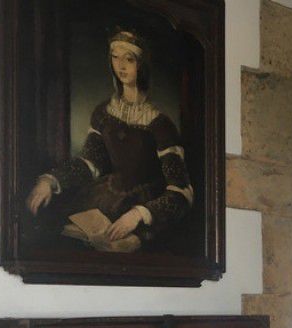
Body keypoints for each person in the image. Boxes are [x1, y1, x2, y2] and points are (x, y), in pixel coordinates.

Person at [26, 29, 193, 245]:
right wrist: (50, 180)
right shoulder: (103, 113)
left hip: (143, 207)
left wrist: (139, 214)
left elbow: (181, 192)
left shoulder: (161, 125)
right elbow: (90, 163)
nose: (121, 65)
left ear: (142, 64)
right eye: (115, 57)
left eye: (129, 59)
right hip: (105, 197)